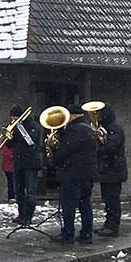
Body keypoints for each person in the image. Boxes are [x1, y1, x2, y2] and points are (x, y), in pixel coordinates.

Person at [51, 104, 99, 244]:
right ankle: (87, 234)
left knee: (69, 205)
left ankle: (68, 234)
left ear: (72, 116)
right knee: (85, 205)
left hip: (72, 174)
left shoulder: (73, 130)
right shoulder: (89, 129)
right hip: (88, 174)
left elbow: (65, 151)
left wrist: (54, 159)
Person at [96, 105, 128, 238]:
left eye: (99, 115)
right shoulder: (107, 128)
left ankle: (113, 226)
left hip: (114, 170)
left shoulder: (114, 129)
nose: (98, 117)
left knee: (112, 199)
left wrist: (99, 147)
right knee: (108, 198)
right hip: (108, 170)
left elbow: (111, 147)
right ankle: (108, 224)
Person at [7, 104, 42, 223]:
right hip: (19, 162)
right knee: (19, 190)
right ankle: (21, 214)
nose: (13, 119)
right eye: (12, 117)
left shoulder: (33, 126)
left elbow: (31, 141)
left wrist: (20, 128)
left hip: (31, 163)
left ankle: (28, 216)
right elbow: (9, 144)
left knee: (30, 192)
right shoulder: (14, 126)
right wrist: (9, 136)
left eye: (15, 117)